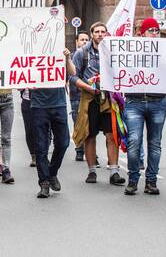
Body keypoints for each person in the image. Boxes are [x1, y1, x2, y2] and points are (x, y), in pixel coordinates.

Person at [71, 22, 125, 186]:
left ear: (107, 34)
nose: (100, 34)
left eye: (103, 32)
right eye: (97, 32)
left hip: (109, 99)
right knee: (89, 134)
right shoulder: (82, 53)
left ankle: (114, 171)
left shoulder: (114, 52)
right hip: (90, 99)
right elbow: (73, 77)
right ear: (92, 34)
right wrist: (89, 87)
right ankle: (92, 171)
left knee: (112, 134)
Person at [123, 19, 166, 196]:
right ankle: (133, 180)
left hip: (157, 102)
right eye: (150, 30)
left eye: (157, 30)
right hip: (135, 101)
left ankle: (151, 181)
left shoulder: (165, 51)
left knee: (155, 143)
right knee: (134, 141)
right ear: (142, 33)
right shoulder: (131, 50)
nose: (155, 33)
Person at [31, 48, 76, 198]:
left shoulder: (60, 53)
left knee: (63, 142)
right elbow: (20, 77)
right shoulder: (31, 54)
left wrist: (67, 58)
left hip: (58, 104)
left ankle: (52, 172)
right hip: (39, 105)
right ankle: (44, 183)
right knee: (41, 146)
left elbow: (73, 72)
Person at [70, 30, 90, 161]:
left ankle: (89, 150)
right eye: (81, 39)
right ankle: (79, 149)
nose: (84, 42)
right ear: (76, 42)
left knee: (90, 123)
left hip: (89, 94)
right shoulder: (71, 56)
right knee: (78, 122)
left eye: (86, 40)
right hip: (76, 95)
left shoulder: (91, 56)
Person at [20, 89, 35, 167]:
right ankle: (33, 156)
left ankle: (42, 155)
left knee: (44, 129)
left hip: (42, 100)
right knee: (29, 130)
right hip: (27, 101)